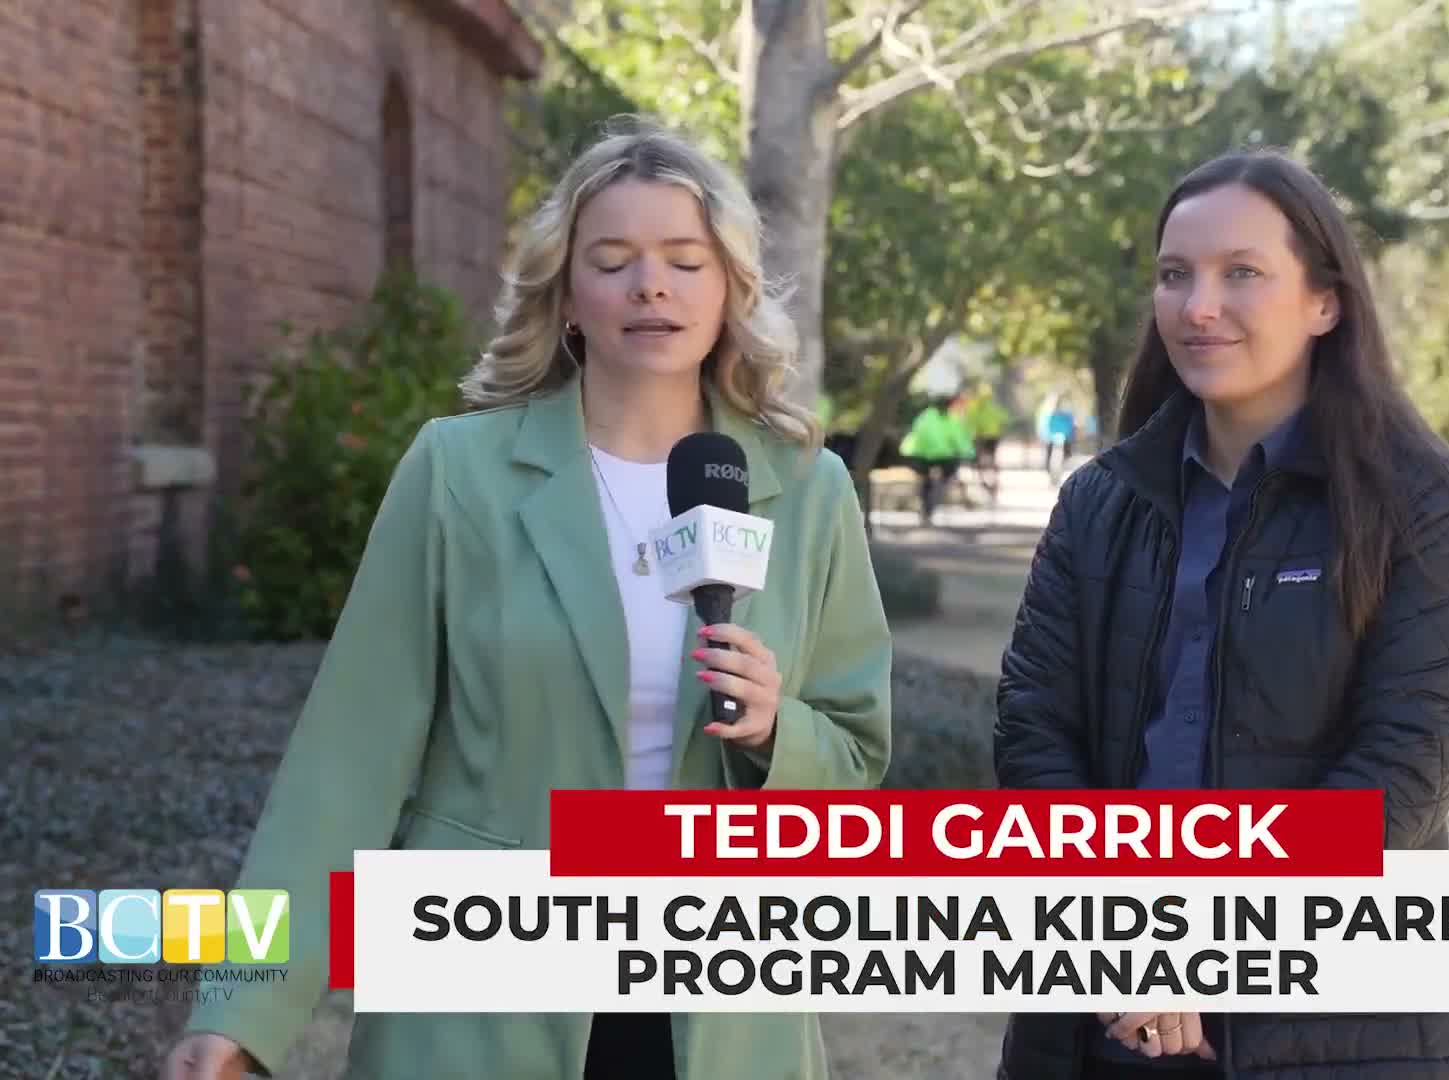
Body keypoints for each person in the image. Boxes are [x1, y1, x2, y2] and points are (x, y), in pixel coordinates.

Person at [162, 117, 893, 1080]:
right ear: (568, 297)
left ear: (729, 292)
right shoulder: (458, 473)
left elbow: (853, 757)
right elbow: (347, 761)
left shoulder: (808, 490)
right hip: (481, 1000)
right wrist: (242, 1010)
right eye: (614, 260)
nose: (652, 287)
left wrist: (772, 731)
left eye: (685, 260)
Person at [993, 148, 1449, 1079]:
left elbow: (1402, 772)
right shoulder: (1099, 501)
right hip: (1108, 1014)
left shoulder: (1419, 502)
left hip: (1348, 1032)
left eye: (1243, 275)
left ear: (1325, 303)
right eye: (1175, 274)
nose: (1198, 306)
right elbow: (1035, 732)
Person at [899, 393, 974, 523]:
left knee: (927, 481)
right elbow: (959, 439)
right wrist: (967, 452)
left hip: (925, 455)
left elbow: (916, 433)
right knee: (941, 479)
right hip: (938, 456)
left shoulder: (927, 416)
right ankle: (930, 502)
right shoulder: (949, 418)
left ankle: (927, 504)